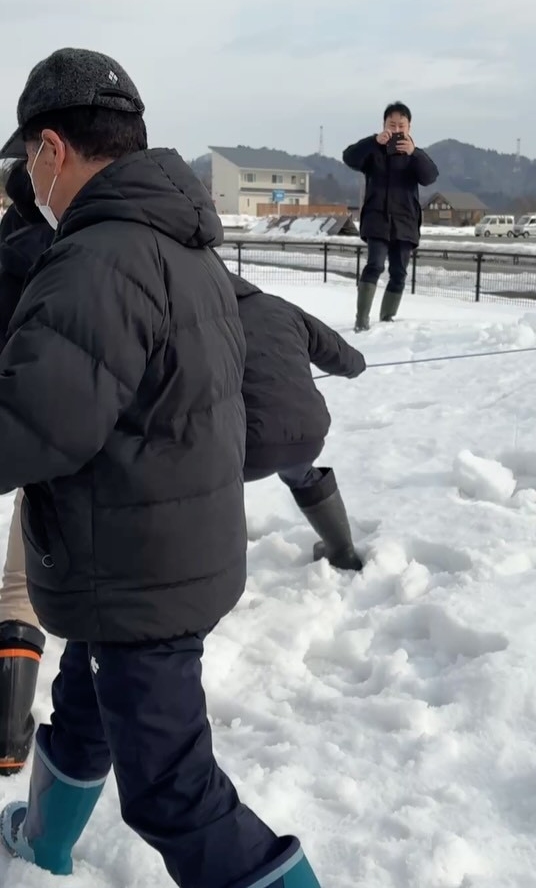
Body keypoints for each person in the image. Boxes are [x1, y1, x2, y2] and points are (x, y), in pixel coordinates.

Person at [0, 48, 321, 887]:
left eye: (27, 156)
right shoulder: (181, 242)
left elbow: (33, 420)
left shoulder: (98, 258)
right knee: (82, 713)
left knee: (173, 790)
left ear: (53, 149)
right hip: (163, 552)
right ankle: (43, 840)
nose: (28, 176)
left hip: (138, 576)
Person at [231, 273, 365, 571]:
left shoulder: (203, 313)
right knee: (299, 471)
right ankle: (342, 550)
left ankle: (216, 568)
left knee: (202, 482)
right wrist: (357, 365)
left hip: (241, 446)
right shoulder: (280, 308)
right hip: (306, 435)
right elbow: (345, 358)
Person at [0, 161, 54, 778]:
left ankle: (8, 737)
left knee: (19, 585)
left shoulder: (11, 239)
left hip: (16, 400)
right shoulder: (82, 236)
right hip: (66, 411)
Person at [343, 102, 438, 331]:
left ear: (409, 127)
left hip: (405, 221)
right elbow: (349, 157)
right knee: (374, 265)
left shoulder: (415, 155)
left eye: (401, 125)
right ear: (384, 125)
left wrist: (413, 153)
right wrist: (373, 142)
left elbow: (430, 177)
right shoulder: (373, 151)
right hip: (377, 219)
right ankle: (361, 319)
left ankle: (387, 318)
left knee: (399, 272)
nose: (396, 130)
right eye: (391, 124)